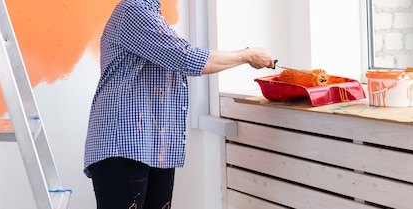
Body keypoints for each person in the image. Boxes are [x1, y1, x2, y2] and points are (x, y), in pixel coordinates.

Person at [83, 0, 274, 208]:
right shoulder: (133, 10)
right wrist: (247, 55)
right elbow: (187, 58)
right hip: (123, 144)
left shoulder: (151, 14)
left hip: (152, 144)